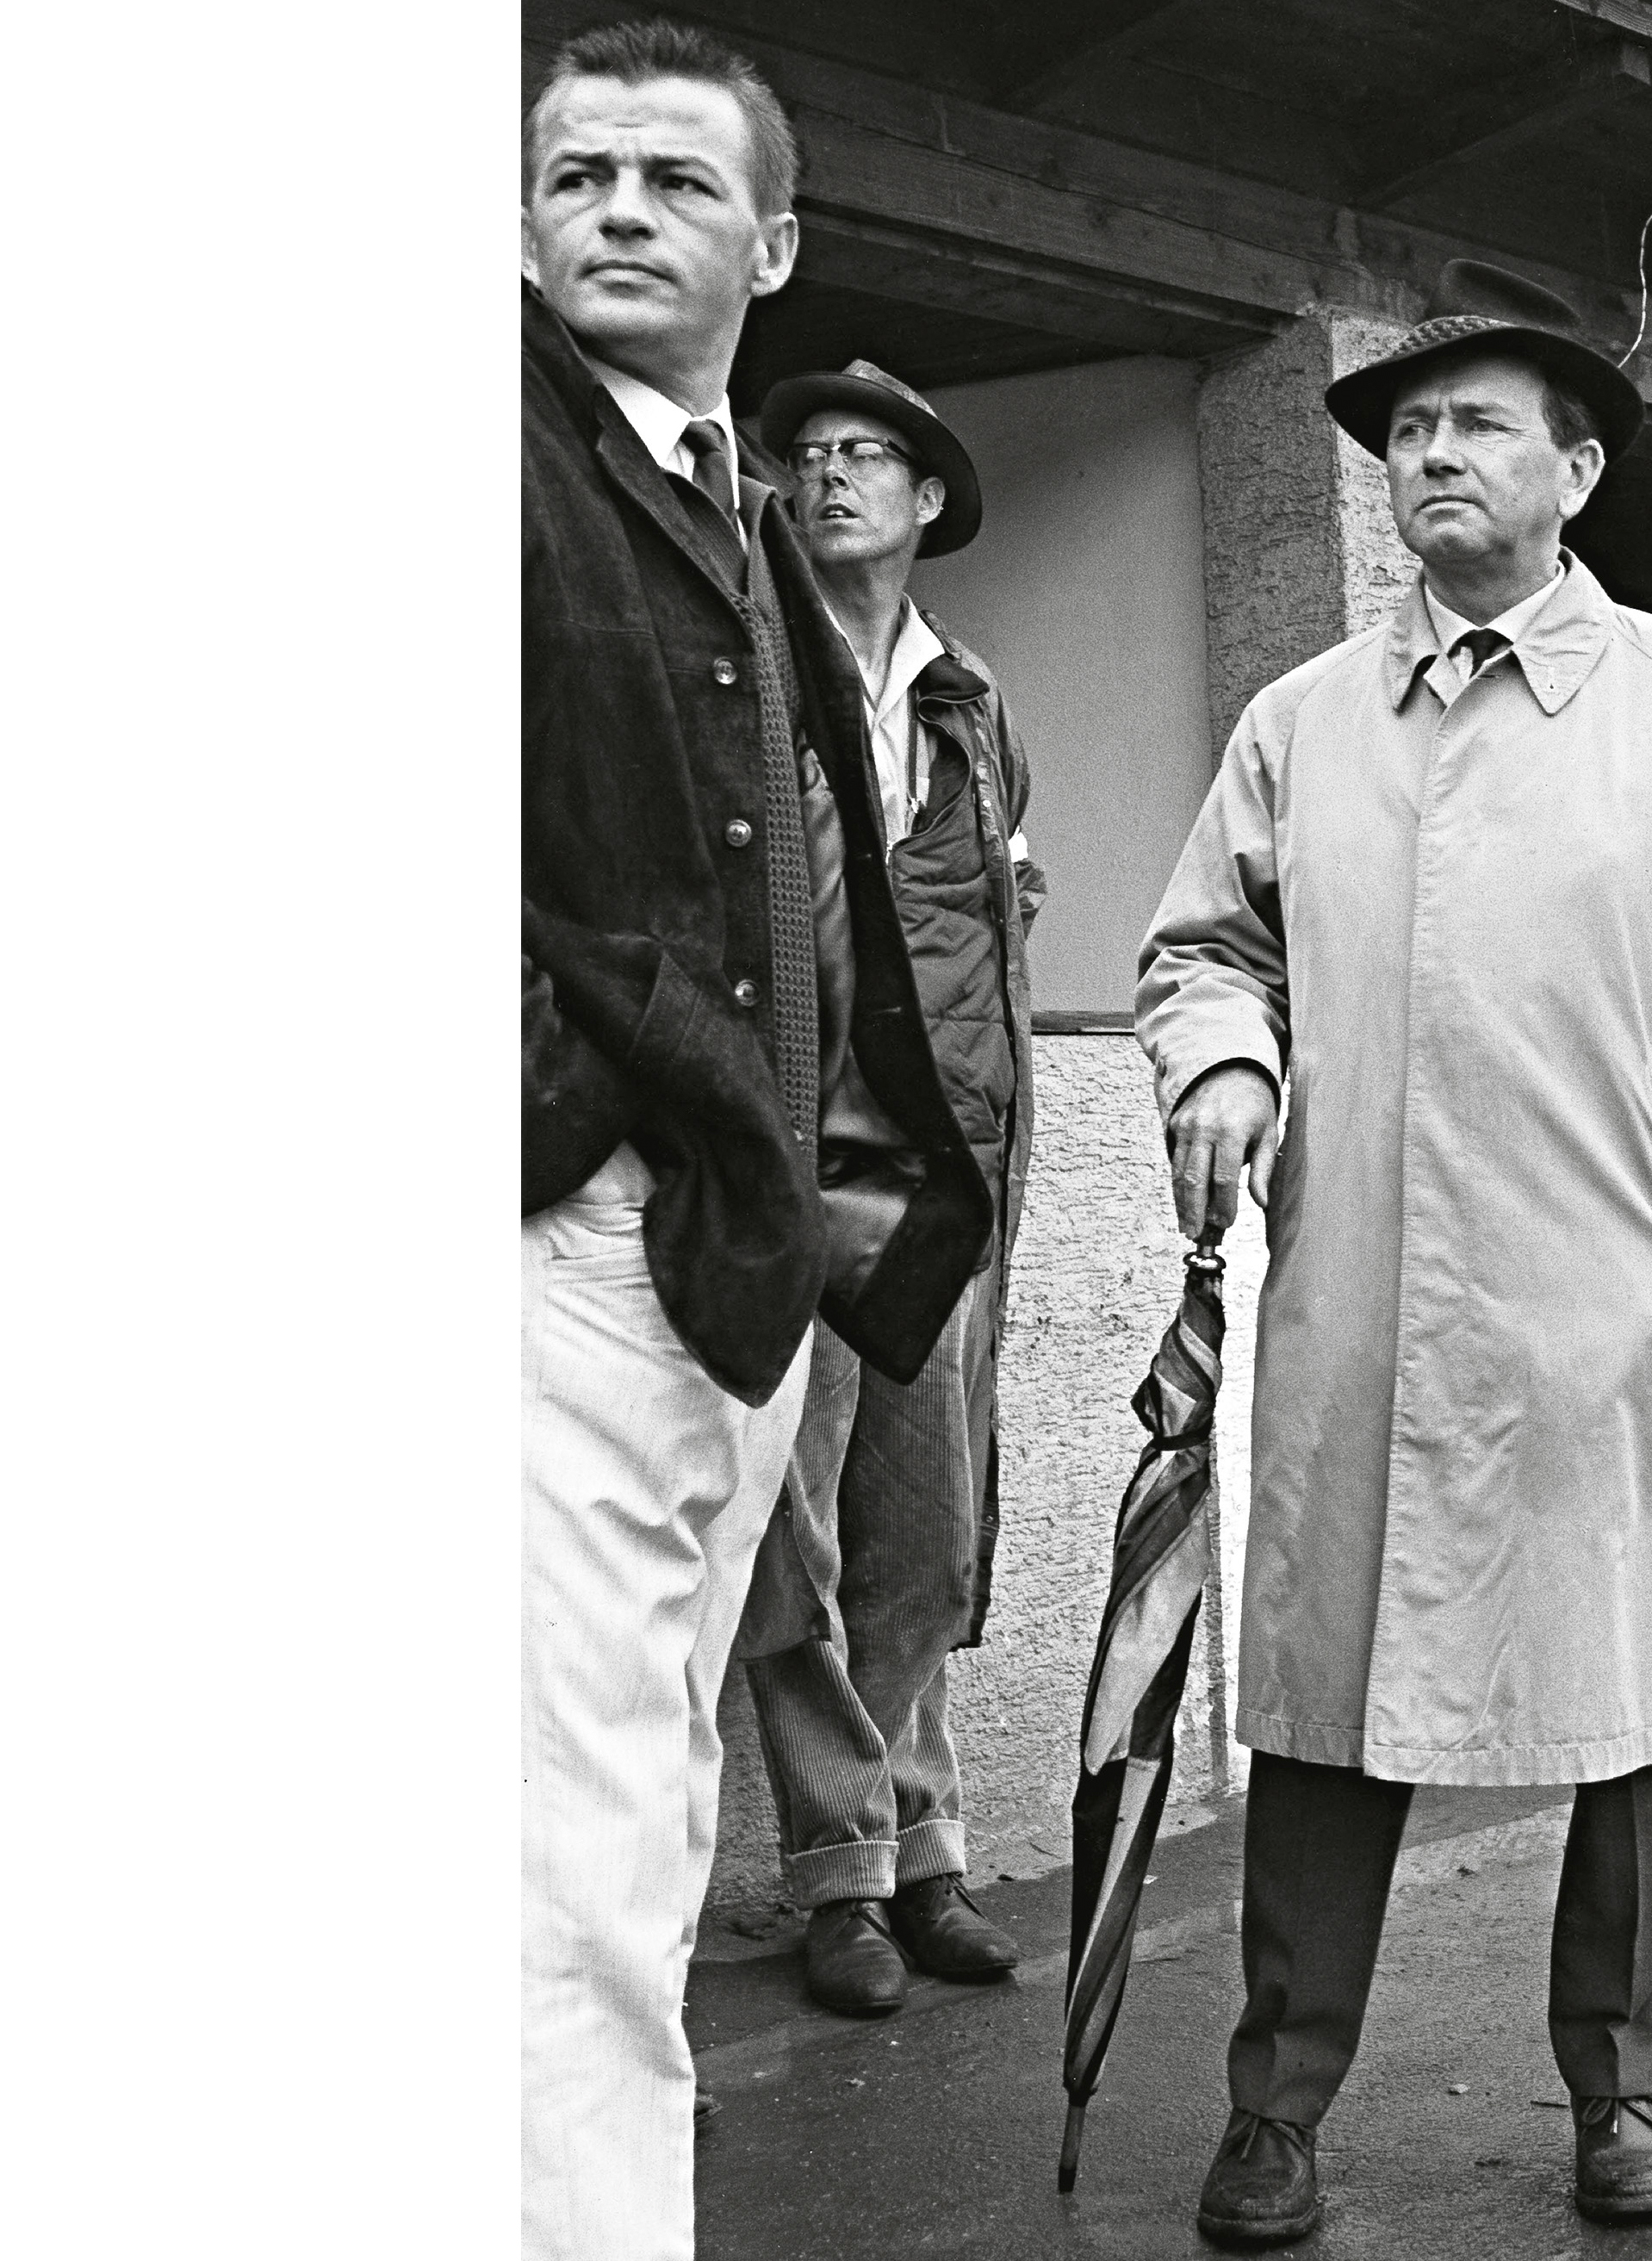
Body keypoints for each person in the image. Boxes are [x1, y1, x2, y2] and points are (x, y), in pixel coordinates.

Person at [1137, 259, 1652, 2246]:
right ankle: (1275, 2110)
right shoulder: (1301, 717)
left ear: (1579, 466)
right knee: (1325, 1705)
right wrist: (1220, 1064)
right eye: (1406, 432)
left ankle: (1623, 2093)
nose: (1431, 457)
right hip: (1364, 1280)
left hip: (1606, 1289)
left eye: (1475, 424)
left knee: (1629, 1708)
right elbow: (1206, 945)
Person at [518, 22, 989, 2258]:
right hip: (596, 1229)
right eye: (574, 170)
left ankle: (896, 1842)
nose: (614, 206)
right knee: (579, 1853)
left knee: (662, 1763)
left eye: (673, 180)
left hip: (776, 1236)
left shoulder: (732, 521)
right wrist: (573, 1127)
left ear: (769, 240)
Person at [729, 359, 1046, 2018]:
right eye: (814, 454)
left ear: (930, 504)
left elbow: (998, 917)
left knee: (921, 1534)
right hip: (793, 1163)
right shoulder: (748, 663)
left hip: (941, 1176)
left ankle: (927, 1849)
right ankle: (844, 1864)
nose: (835, 474)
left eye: (874, 457)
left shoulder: (968, 704)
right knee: (798, 1543)